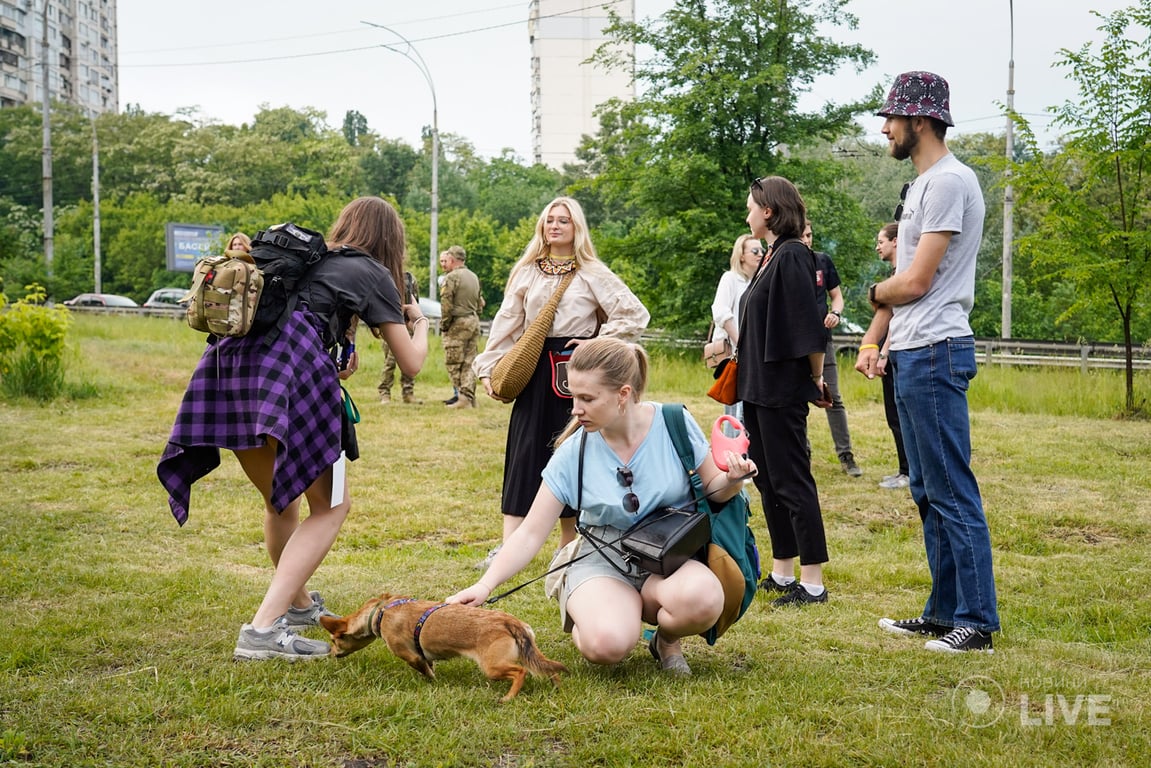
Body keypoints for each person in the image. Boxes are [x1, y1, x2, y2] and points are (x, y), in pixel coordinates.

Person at [158, 196, 430, 660]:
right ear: (391, 241)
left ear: (344, 225)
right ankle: (263, 630)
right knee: (331, 507)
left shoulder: (309, 261)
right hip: (286, 381)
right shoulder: (370, 273)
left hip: (226, 372)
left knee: (279, 502)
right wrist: (420, 321)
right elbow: (412, 363)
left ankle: (299, 606)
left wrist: (337, 358)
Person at [447, 337, 757, 676]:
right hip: (602, 560)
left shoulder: (674, 423)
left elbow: (715, 491)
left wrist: (735, 478)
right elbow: (529, 534)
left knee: (704, 599)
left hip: (668, 558)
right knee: (606, 645)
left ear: (623, 394)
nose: (575, 409)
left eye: (587, 399)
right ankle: (605, 610)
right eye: (573, 396)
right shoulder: (572, 453)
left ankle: (666, 640)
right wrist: (484, 586)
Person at [857, 71, 999, 653]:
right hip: (913, 350)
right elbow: (908, 285)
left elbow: (913, 281)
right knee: (925, 488)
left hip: (938, 350)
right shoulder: (921, 187)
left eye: (891, 118)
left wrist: (873, 295)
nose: (885, 128)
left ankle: (977, 622)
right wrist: (877, 339)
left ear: (920, 121)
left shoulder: (948, 182)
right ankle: (943, 613)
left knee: (951, 488)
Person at [472, 197, 650, 568]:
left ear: (576, 228)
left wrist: (599, 340)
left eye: (563, 221)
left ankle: (570, 545)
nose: (554, 226)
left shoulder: (592, 272)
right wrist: (488, 367)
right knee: (524, 453)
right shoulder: (526, 272)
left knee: (574, 452)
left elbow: (634, 312)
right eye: (549, 220)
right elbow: (507, 324)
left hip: (577, 373)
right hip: (533, 372)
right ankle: (509, 545)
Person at [737, 176, 831, 607]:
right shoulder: (772, 256)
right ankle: (782, 570)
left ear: (770, 211)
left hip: (781, 389)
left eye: (752, 207)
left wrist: (816, 379)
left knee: (792, 480)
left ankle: (812, 583)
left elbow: (809, 330)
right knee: (768, 480)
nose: (748, 214)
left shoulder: (794, 257)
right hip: (758, 388)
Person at [803, 219, 862, 477]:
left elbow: (836, 295)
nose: (807, 240)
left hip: (823, 340)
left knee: (832, 397)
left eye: (809, 235)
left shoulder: (822, 261)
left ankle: (846, 455)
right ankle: (802, 454)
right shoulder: (786, 263)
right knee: (798, 400)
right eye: (802, 235)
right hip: (795, 343)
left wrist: (836, 313)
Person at [710, 234, 762, 431]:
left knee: (750, 405)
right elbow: (721, 312)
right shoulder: (730, 279)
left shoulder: (758, 281)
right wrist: (742, 343)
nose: (760, 255)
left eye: (762, 251)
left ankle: (749, 453)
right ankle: (732, 452)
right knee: (734, 406)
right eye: (755, 251)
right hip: (734, 354)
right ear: (741, 255)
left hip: (754, 353)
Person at [874, 223, 910, 490]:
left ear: (896, 241)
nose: (878, 247)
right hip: (890, 353)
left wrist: (884, 352)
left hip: (896, 353)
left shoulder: (904, 275)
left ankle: (909, 472)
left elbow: (898, 320)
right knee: (893, 415)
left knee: (900, 415)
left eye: (881, 241)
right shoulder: (895, 273)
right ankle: (904, 469)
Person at [439, 245, 484, 410]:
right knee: (469, 362)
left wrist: (445, 324)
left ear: (452, 259)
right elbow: (480, 303)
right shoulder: (473, 276)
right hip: (473, 320)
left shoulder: (451, 277)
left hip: (458, 323)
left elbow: (446, 304)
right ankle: (469, 397)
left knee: (454, 361)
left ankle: (461, 397)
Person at [378, 271, 421, 405]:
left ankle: (408, 393)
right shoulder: (386, 275)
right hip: (390, 323)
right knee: (389, 363)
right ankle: (385, 393)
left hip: (406, 324)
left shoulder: (409, 278)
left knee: (408, 360)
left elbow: (415, 300)